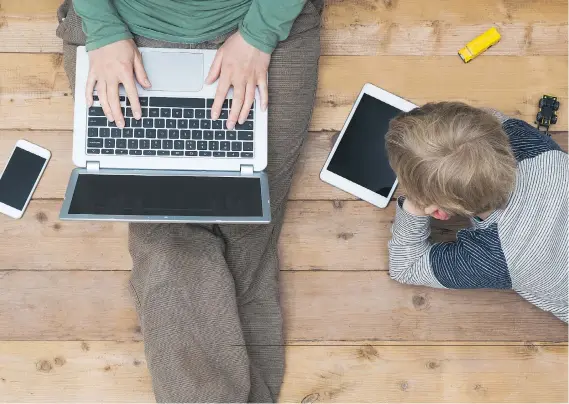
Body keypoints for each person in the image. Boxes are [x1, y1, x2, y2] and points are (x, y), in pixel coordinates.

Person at [56, 0, 322, 401]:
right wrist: (104, 31)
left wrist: (257, 34)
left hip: (260, 23)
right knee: (164, 239)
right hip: (124, 25)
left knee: (248, 228)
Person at [385, 102, 568, 323]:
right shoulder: (530, 143)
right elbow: (490, 118)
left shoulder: (492, 256)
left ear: (440, 212)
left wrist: (415, 206)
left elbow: (405, 267)